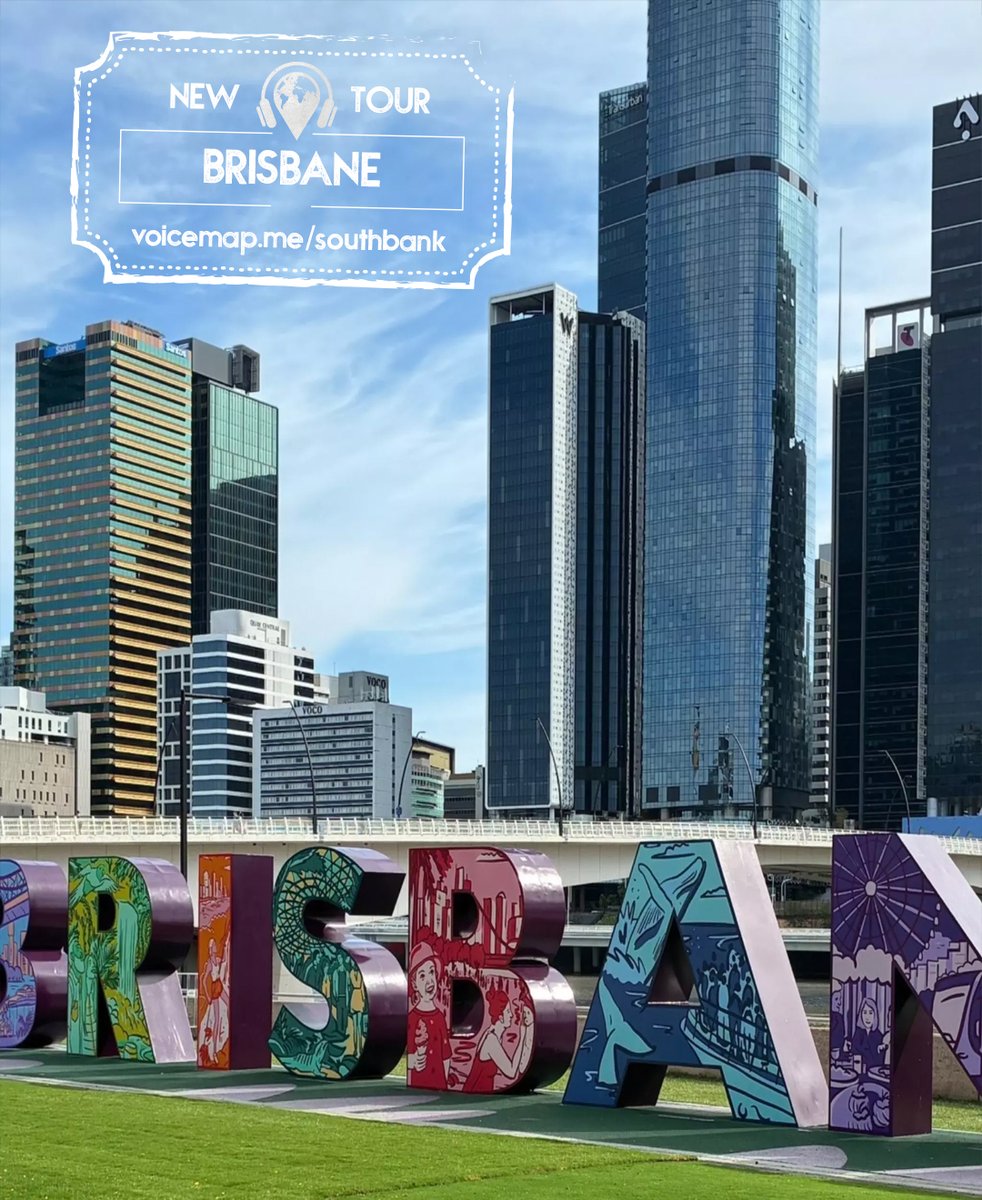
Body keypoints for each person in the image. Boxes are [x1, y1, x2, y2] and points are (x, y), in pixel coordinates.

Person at [462, 989, 533, 1093]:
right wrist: (522, 1037)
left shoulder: (492, 1032)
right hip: (476, 1092)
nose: (511, 1015)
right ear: (500, 1017)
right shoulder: (491, 1041)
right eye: (508, 1012)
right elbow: (511, 1072)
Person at [406, 941, 452, 1089]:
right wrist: (414, 1061)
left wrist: (445, 1079)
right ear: (414, 984)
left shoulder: (439, 1017)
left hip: (439, 1081)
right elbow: (411, 1051)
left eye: (431, 972)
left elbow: (446, 1055)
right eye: (422, 976)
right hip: (420, 1079)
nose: (429, 981)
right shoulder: (413, 1018)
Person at [199, 936, 229, 1064]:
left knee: (229, 1005)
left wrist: (226, 947)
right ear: (210, 949)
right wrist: (207, 996)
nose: (215, 947)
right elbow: (203, 979)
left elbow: (225, 960)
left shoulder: (217, 959)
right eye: (213, 946)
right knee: (216, 1020)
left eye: (215, 945)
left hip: (220, 987)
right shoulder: (210, 964)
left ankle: (224, 1037)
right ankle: (213, 1050)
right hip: (214, 990)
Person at [845, 998, 888, 1073]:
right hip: (858, 1072)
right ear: (861, 1014)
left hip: (874, 1074)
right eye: (864, 1012)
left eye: (870, 1013)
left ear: (875, 1015)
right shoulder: (858, 1033)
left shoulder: (878, 1035)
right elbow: (854, 1054)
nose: (867, 1017)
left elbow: (879, 1060)